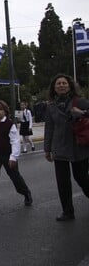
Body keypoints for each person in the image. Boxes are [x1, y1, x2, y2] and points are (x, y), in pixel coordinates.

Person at [44, 74, 89, 221]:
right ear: (54, 88)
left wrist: (82, 112)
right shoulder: (51, 106)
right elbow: (49, 128)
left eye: (64, 83)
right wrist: (47, 149)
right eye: (58, 84)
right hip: (60, 147)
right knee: (62, 182)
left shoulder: (79, 101)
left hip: (78, 146)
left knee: (81, 178)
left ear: (69, 86)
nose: (61, 85)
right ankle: (68, 211)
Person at [0, 100, 33, 213]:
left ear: (5, 111)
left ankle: (26, 193)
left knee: (15, 176)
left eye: (0, 109)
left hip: (8, 155)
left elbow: (15, 141)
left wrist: (13, 157)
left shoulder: (9, 125)